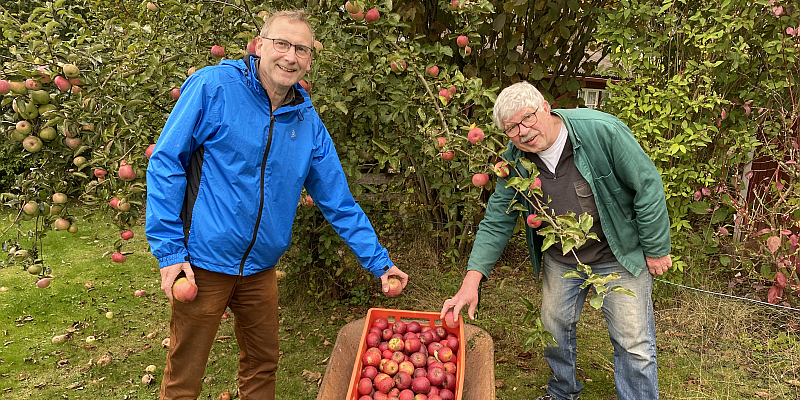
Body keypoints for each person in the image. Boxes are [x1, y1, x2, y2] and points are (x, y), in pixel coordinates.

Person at [145, 10, 408, 400]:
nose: (290, 56)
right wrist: (169, 252)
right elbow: (167, 162)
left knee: (263, 365)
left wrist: (380, 262)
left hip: (261, 269)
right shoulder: (214, 87)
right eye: (282, 44)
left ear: (309, 60)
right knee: (185, 376)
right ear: (260, 45)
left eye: (301, 49)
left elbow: (337, 199)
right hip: (203, 262)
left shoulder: (307, 122)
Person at [440, 81, 671, 400]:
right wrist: (471, 282)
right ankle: (563, 391)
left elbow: (647, 185)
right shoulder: (515, 161)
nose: (523, 131)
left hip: (617, 253)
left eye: (528, 118)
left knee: (634, 343)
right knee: (553, 330)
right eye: (512, 128)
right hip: (562, 259)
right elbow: (497, 219)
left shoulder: (601, 131)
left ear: (545, 107)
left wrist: (656, 248)